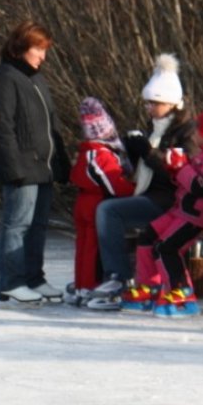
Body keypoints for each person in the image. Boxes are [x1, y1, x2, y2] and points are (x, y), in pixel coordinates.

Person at [86, 53, 196, 310]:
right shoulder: (154, 128)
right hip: (151, 194)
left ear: (170, 103)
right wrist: (133, 153)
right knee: (106, 205)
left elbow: (182, 171)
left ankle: (118, 277)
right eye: (147, 104)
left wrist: (148, 152)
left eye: (153, 104)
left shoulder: (186, 131)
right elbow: (144, 169)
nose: (149, 109)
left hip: (171, 199)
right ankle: (108, 275)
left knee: (109, 211)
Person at [121, 105, 203, 316]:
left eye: (198, 131)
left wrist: (181, 168)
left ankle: (182, 292)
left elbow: (201, 187)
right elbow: (190, 181)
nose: (194, 134)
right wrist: (174, 168)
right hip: (183, 210)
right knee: (148, 236)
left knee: (166, 247)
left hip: (198, 215)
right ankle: (150, 286)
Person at [0, 20, 71, 305]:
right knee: (18, 224)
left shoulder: (37, 79)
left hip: (43, 166)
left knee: (38, 225)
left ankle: (34, 277)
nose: (43, 56)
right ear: (20, 47)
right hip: (22, 167)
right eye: (38, 49)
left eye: (45, 50)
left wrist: (61, 162)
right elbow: (2, 128)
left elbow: (52, 124)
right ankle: (12, 281)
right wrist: (13, 168)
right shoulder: (4, 79)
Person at [65, 97, 135, 306]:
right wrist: (135, 190)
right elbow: (113, 185)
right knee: (94, 248)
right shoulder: (101, 155)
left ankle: (81, 285)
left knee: (84, 247)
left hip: (83, 202)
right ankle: (91, 285)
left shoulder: (85, 153)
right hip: (95, 204)